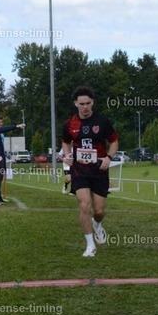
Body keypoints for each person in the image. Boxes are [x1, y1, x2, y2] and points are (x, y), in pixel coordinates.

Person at [62, 86, 118, 257]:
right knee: (84, 204)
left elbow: (114, 141)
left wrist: (109, 157)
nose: (85, 107)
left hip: (99, 170)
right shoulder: (70, 124)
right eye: (82, 104)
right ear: (75, 104)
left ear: (92, 102)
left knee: (99, 210)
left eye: (88, 103)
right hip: (79, 170)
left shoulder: (102, 122)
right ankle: (90, 245)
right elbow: (65, 142)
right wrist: (68, 156)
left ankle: (97, 223)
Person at [0, 114, 26, 204]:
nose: (0, 123)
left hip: (1, 156)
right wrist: (16, 126)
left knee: (0, 177)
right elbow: (4, 129)